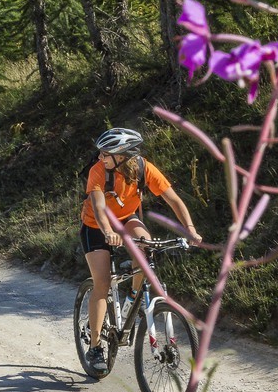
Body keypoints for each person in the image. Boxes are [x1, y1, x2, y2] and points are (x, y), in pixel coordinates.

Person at [80, 127, 202, 376]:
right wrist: (107, 232)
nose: (101, 157)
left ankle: (134, 295)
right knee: (102, 285)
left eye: (106, 153)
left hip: (126, 218)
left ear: (123, 155)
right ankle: (94, 348)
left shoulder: (144, 169)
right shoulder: (98, 171)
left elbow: (174, 200)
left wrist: (189, 229)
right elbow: (99, 207)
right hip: (95, 225)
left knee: (146, 247)